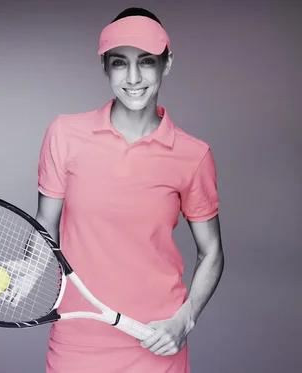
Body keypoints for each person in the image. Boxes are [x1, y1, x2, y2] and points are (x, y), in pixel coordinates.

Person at [33, 7, 224, 373]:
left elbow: (212, 252)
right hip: (78, 339)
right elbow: (46, 224)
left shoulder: (193, 155)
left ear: (166, 64)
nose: (133, 77)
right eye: (120, 63)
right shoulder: (64, 134)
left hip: (156, 339)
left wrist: (184, 321)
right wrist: (30, 264)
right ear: (105, 66)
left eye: (147, 61)